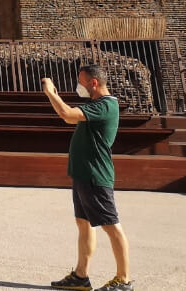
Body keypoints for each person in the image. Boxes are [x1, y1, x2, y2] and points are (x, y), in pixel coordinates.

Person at [43, 66, 133, 291]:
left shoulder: (105, 105)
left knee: (111, 226)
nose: (78, 86)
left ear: (93, 83)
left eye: (81, 82)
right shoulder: (95, 105)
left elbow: (67, 115)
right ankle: (81, 276)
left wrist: (51, 93)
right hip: (84, 174)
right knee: (84, 224)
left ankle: (124, 280)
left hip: (96, 175)